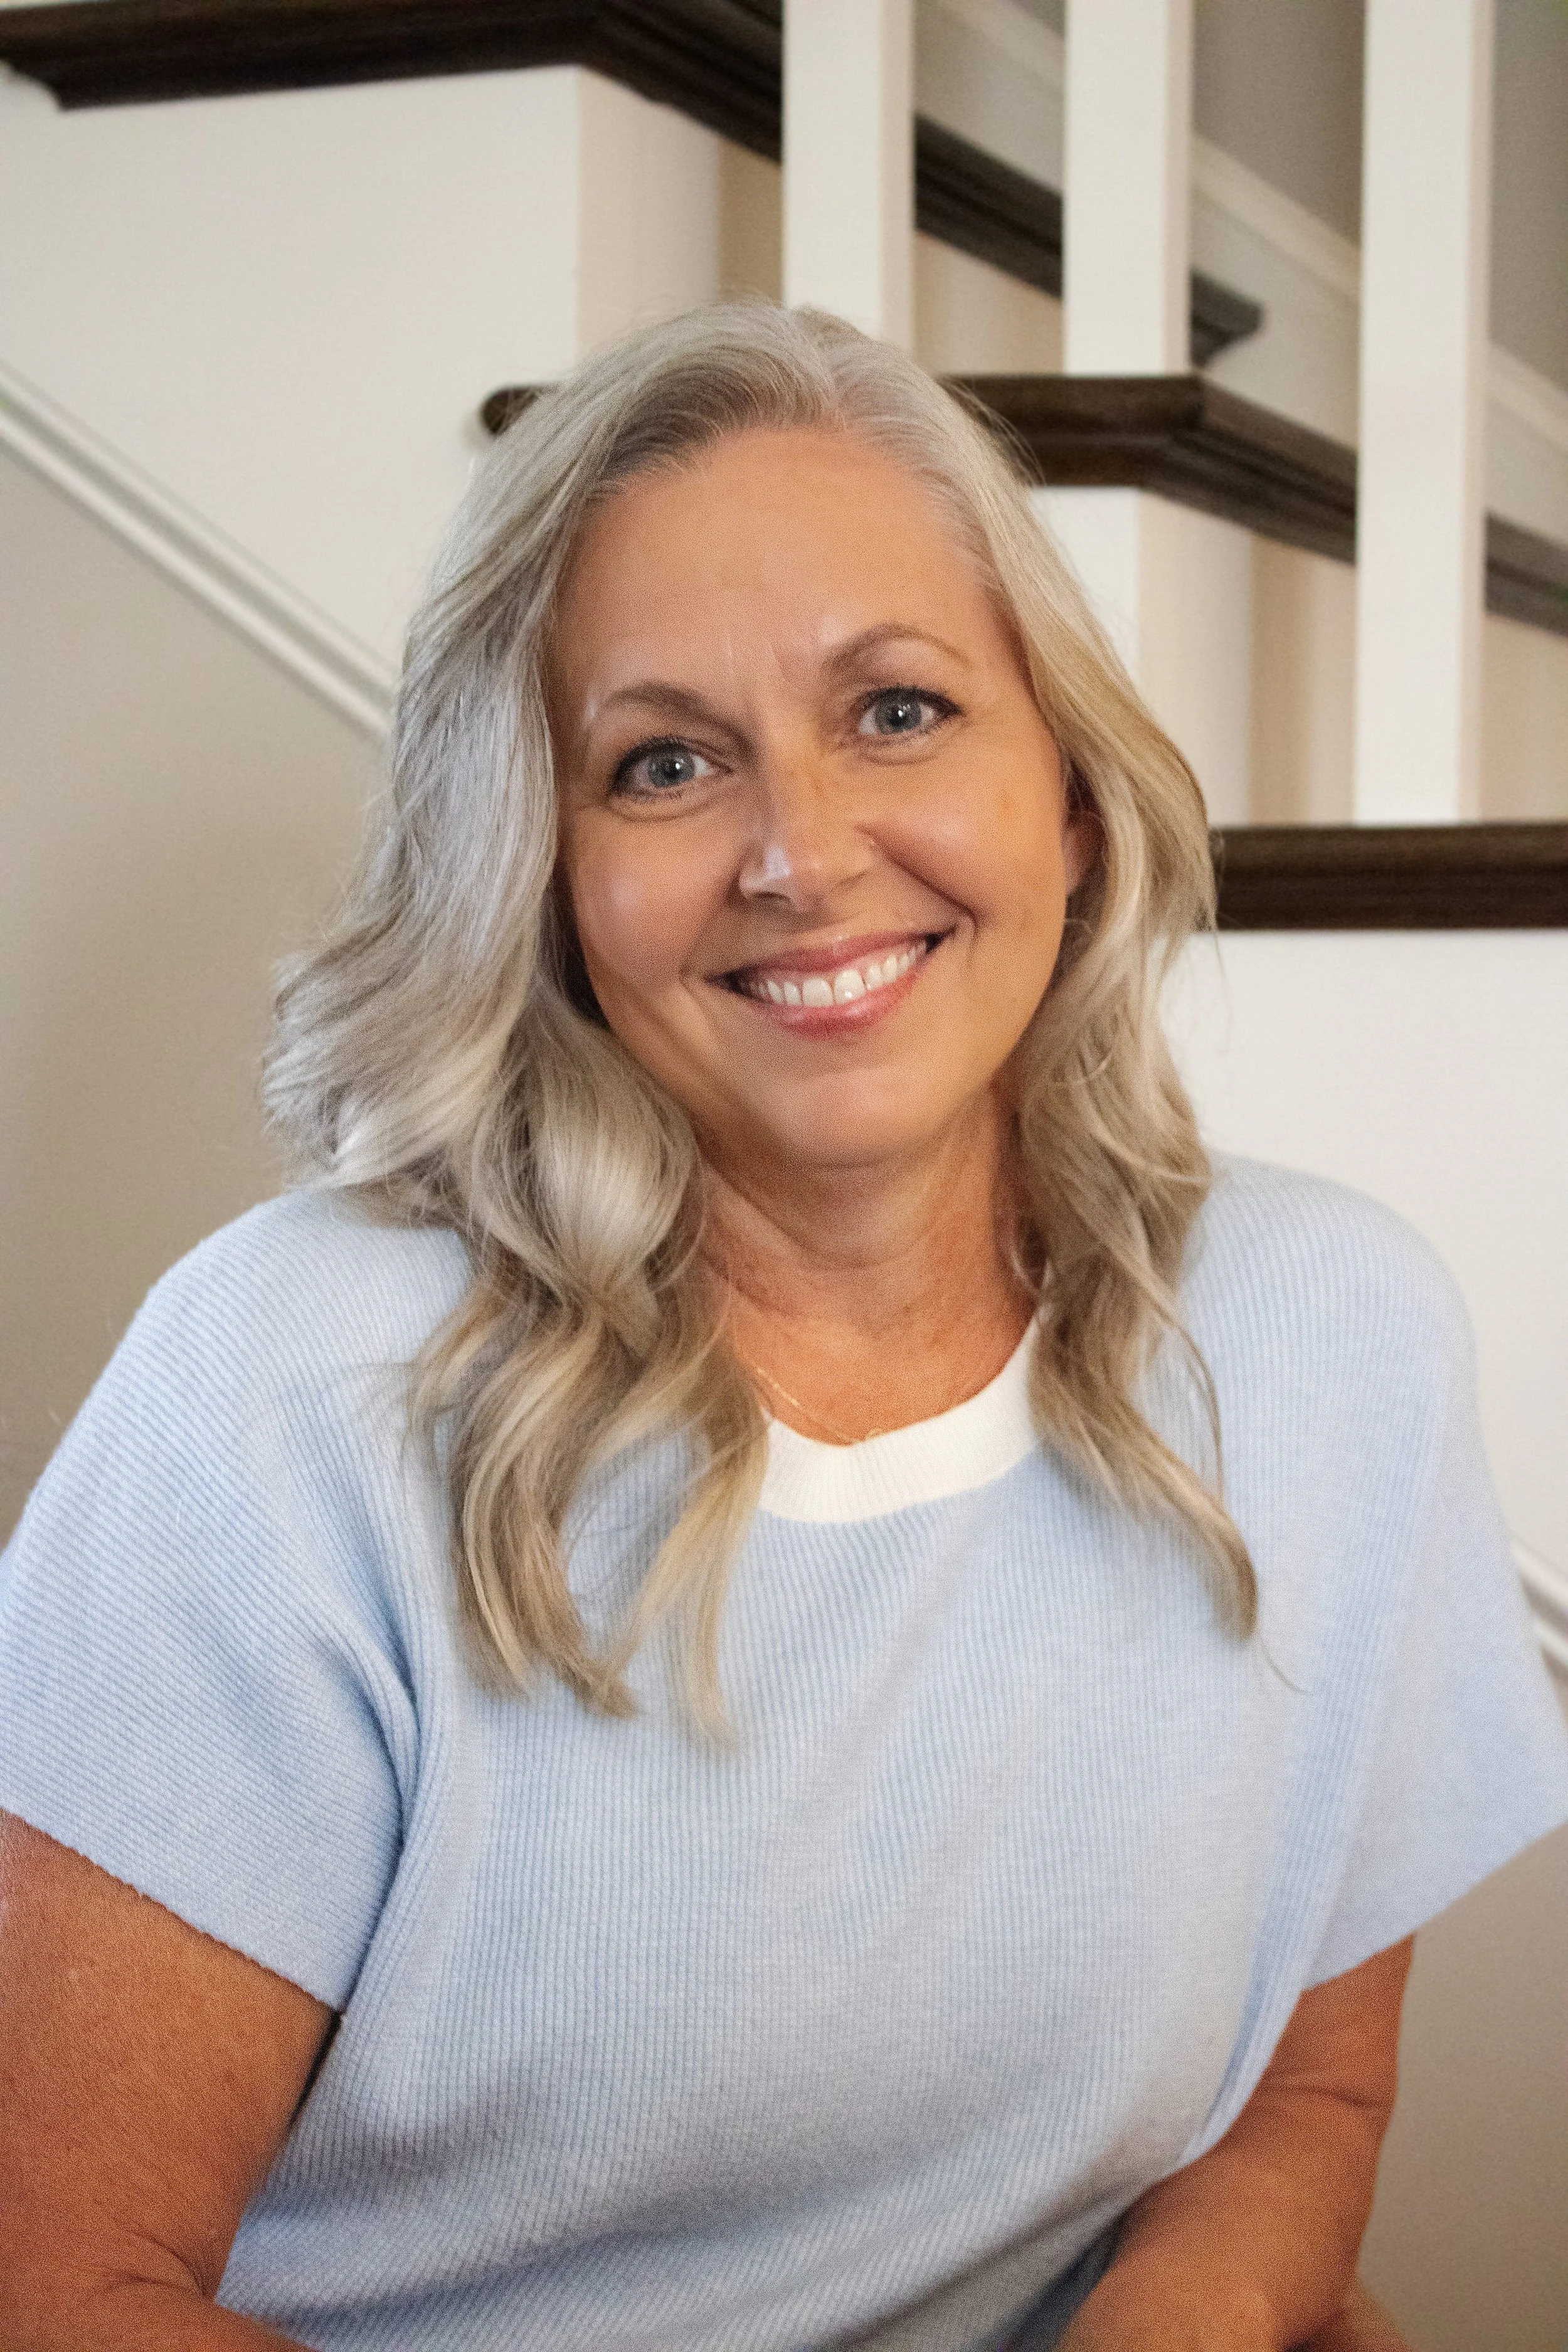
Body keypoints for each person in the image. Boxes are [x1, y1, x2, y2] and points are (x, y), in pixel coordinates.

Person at [1, 304, 1564, 2352]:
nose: (797, 854)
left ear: (1071, 796)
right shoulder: (290, 1391)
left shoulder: (1329, 1332)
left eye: (899, 710)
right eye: (662, 761)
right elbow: (58, 2284)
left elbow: (1305, 2090)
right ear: (542, 875)